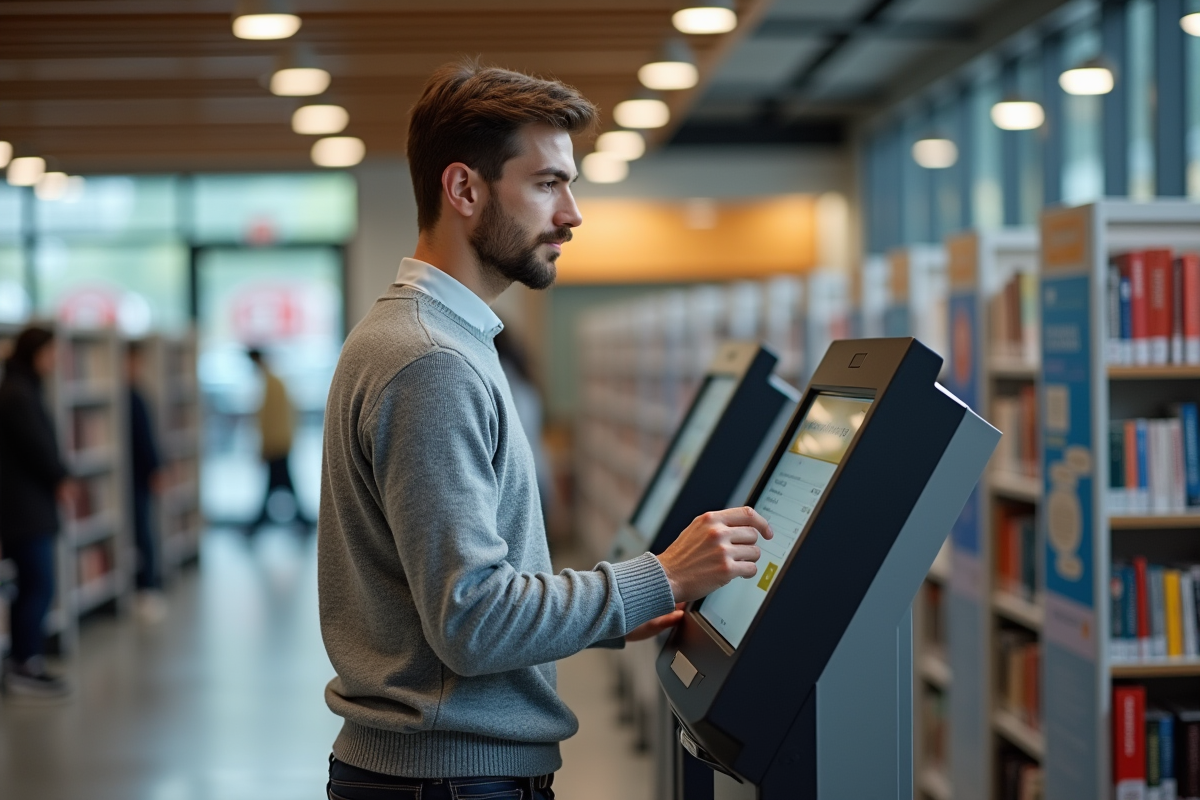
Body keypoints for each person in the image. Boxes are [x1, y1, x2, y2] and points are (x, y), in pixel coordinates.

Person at [318, 61, 772, 800]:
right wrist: (664, 574)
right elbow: (471, 622)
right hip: (453, 780)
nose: (572, 213)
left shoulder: (435, 340)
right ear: (464, 189)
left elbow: (455, 600)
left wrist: (608, 614)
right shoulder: (432, 362)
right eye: (546, 183)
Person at [0, 325, 72, 698]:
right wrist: (60, 476)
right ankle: (25, 664)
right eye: (50, 352)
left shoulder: (22, 388)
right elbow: (38, 448)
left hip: (27, 507)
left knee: (33, 585)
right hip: (23, 511)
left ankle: (27, 661)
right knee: (37, 585)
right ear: (34, 353)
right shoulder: (17, 394)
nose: (54, 360)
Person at [247, 348, 310, 531]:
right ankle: (299, 521)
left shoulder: (270, 383)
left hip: (276, 444)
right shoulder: (275, 381)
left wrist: (264, 447)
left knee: (276, 487)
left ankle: (258, 525)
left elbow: (269, 420)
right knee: (282, 486)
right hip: (282, 442)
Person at [126, 342, 167, 623]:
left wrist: (156, 468)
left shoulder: (136, 395)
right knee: (142, 533)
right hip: (133, 478)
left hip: (138, 478)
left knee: (144, 531)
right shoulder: (130, 397)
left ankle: (148, 587)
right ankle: (144, 587)